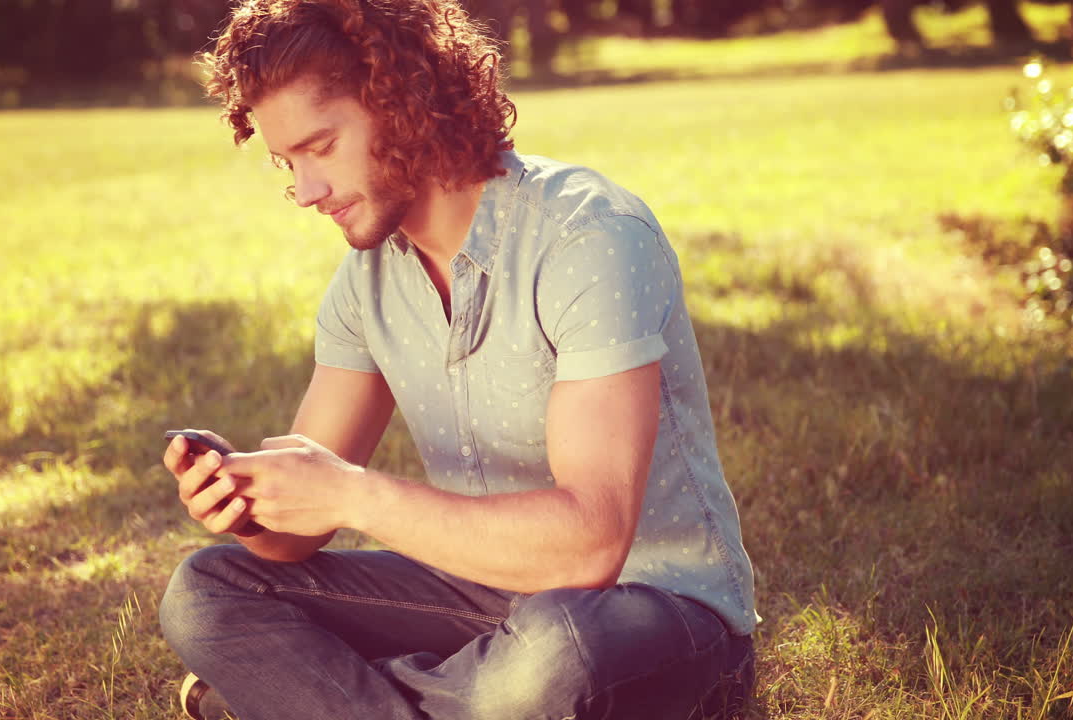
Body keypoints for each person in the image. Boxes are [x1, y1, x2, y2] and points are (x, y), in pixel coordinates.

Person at [157, 1, 758, 718]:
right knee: (209, 589)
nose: (307, 192)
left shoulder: (589, 235)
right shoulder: (366, 283)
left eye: (322, 147)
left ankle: (306, 699)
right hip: (481, 598)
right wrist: (249, 504)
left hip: (648, 609)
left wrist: (354, 495)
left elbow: (592, 545)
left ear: (402, 102)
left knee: (553, 656)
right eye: (290, 163)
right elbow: (295, 536)